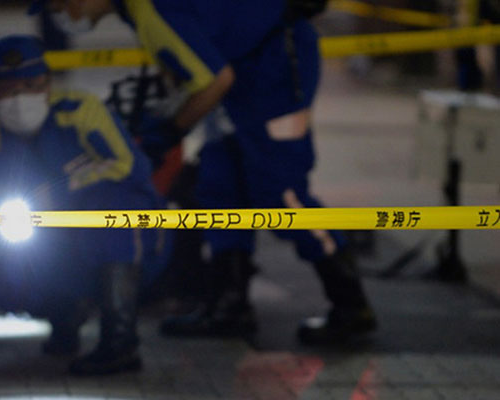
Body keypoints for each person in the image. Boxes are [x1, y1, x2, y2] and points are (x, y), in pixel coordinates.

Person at [30, 0, 377, 345]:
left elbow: (214, 82)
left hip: (276, 70)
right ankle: (229, 305)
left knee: (281, 195)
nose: (59, 13)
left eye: (58, 4)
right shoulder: (137, 9)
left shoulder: (152, 10)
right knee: (220, 187)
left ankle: (351, 305)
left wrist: (169, 132)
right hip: (242, 71)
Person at [0, 35, 169, 374]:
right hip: (43, 239)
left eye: (31, 85)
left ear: (47, 84)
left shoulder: (80, 112)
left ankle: (120, 343)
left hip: (127, 240)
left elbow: (132, 166)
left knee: (115, 209)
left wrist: (62, 191)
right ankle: (63, 317)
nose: (20, 98)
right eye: (8, 88)